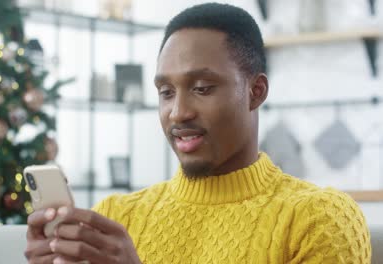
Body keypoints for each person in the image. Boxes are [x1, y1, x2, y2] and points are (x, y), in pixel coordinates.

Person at [25, 3, 372, 263]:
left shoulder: (319, 219)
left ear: (256, 92)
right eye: (166, 92)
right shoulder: (117, 216)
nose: (178, 112)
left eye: (203, 88)